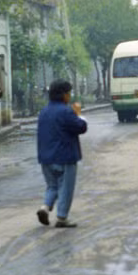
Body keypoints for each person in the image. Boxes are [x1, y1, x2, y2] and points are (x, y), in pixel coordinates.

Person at [36, 79, 88, 228]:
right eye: (69, 93)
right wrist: (78, 114)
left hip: (45, 157)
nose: (70, 96)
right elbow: (81, 127)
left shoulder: (43, 112)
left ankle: (45, 207)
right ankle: (62, 217)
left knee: (52, 186)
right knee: (65, 188)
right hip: (65, 157)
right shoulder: (66, 111)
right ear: (64, 94)